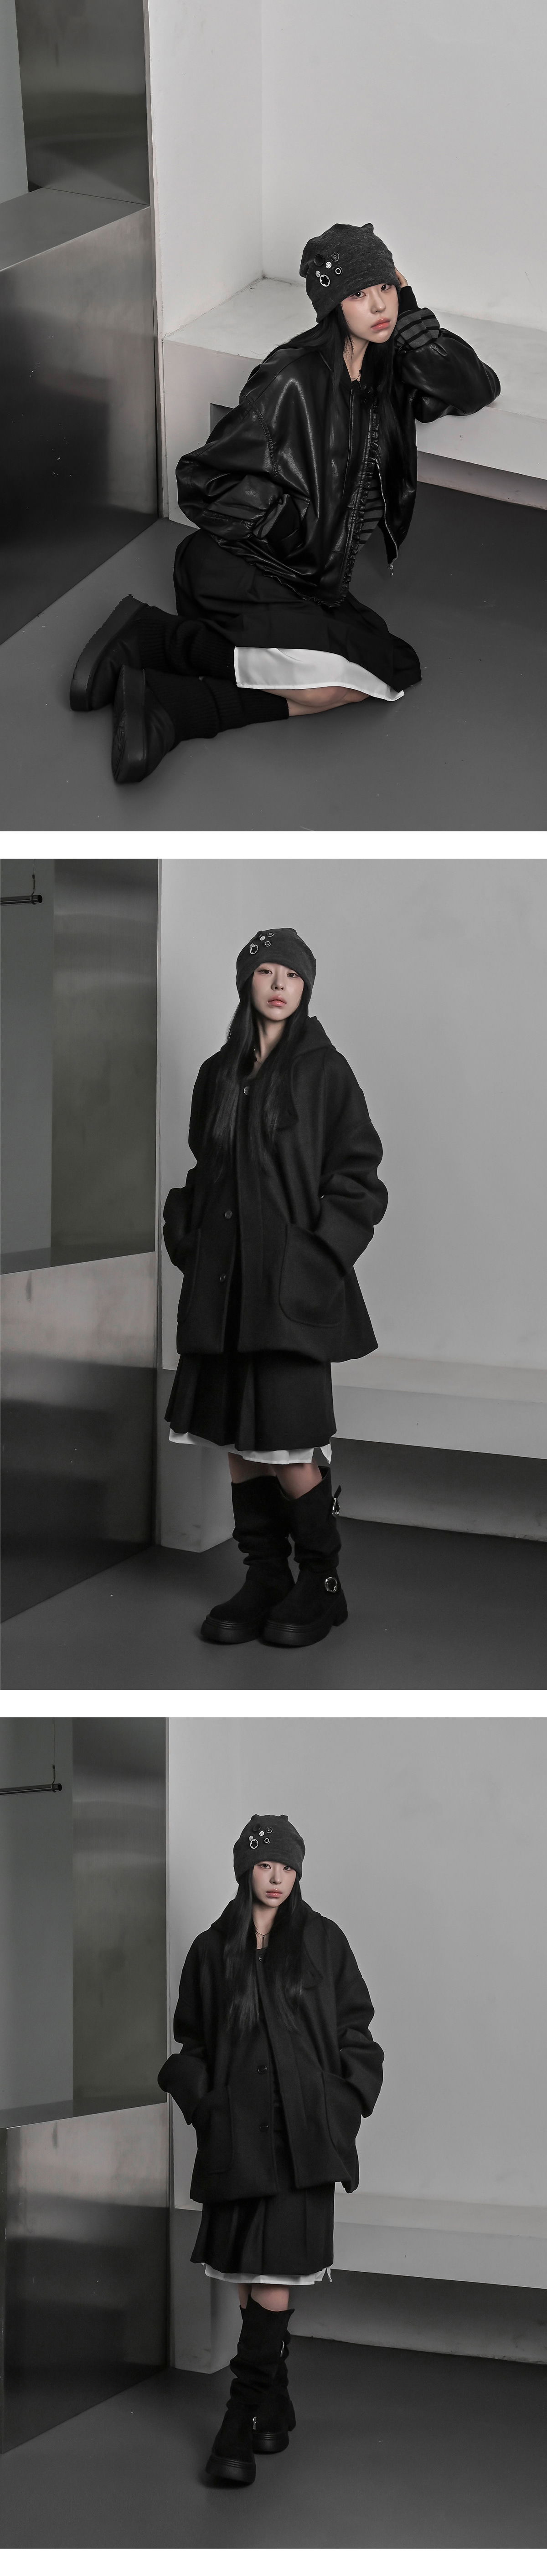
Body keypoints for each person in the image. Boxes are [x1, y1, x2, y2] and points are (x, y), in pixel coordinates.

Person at [68, 220, 501, 783]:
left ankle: (157, 663)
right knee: (325, 686)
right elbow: (201, 479)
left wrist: (413, 312)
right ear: (332, 304)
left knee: (388, 671)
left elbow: (477, 386)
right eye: (359, 294)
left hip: (312, 580)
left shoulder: (390, 368)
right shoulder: (292, 378)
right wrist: (293, 530)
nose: (379, 306)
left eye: (386, 288)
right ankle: (176, 686)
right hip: (239, 565)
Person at [162, 924, 388, 1649]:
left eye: (293, 973)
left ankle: (322, 1582)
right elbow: (206, 1169)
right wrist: (188, 1236)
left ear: (306, 986)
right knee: (239, 1442)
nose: (280, 984)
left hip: (288, 1295)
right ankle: (264, 1575)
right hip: (223, 1292)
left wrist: (313, 1260)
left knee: (288, 1447)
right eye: (267, 972)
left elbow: (359, 1179)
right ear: (248, 983)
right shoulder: (217, 1073)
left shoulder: (326, 1071)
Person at [158, 1812, 384, 2487]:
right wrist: (208, 2107)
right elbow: (192, 2043)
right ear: (245, 1870)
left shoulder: (324, 1941)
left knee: (276, 2272)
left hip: (302, 2142)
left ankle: (237, 2422)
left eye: (287, 1865)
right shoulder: (211, 1949)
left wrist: (337, 2107)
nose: (277, 1877)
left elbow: (357, 2034)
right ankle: (274, 2405)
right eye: (265, 1864)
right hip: (237, 2137)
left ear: (298, 1870)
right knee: (248, 2269)